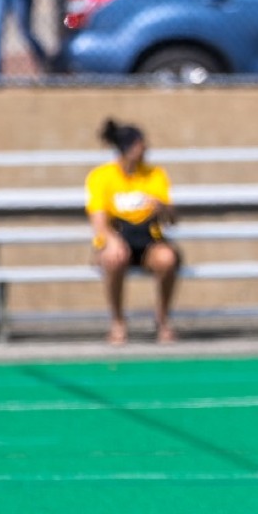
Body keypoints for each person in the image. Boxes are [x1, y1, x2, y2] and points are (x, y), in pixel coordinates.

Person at [86, 119, 180, 346]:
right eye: (140, 145)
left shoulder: (155, 174)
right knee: (114, 257)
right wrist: (112, 241)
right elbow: (99, 221)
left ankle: (162, 319)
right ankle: (118, 321)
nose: (145, 149)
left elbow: (172, 219)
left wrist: (161, 208)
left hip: (148, 240)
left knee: (167, 258)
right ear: (127, 147)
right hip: (118, 237)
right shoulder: (101, 176)